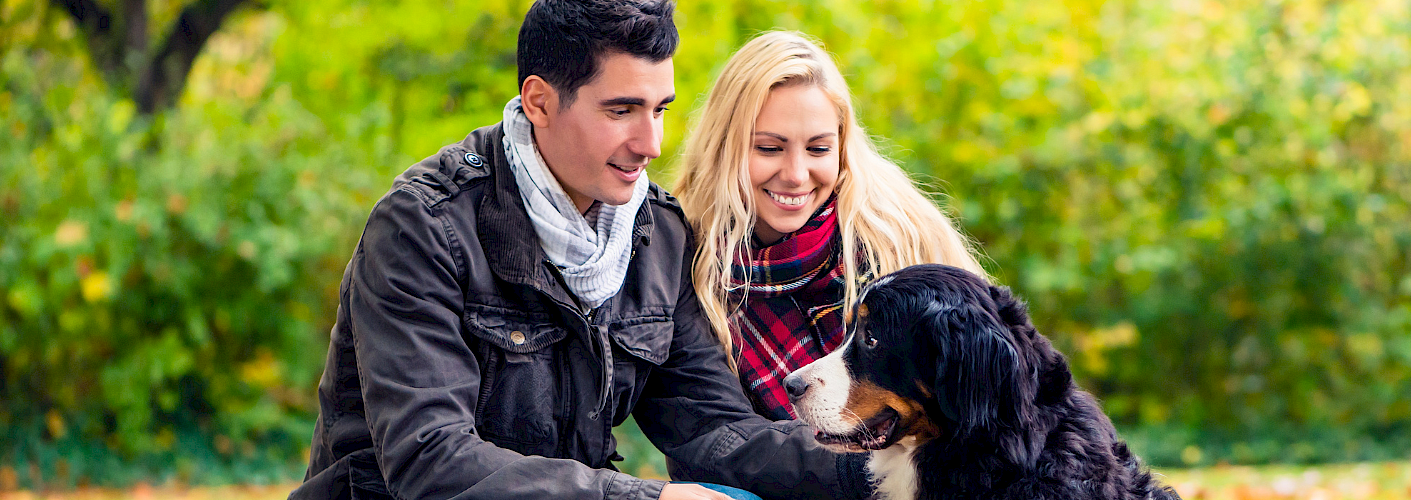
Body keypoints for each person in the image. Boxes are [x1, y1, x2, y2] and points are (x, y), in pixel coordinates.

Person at [289, 3, 869, 500]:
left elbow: (715, 430)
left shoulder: (656, 236)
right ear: (539, 102)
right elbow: (429, 461)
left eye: (660, 109)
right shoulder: (425, 227)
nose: (651, 143)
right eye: (621, 111)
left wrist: (888, 472)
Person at [671, 31, 985, 421]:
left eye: (818, 149)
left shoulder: (899, 235)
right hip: (759, 477)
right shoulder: (689, 262)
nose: (796, 174)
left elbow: (977, 388)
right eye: (769, 148)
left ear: (842, 146)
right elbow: (716, 437)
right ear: (723, 147)